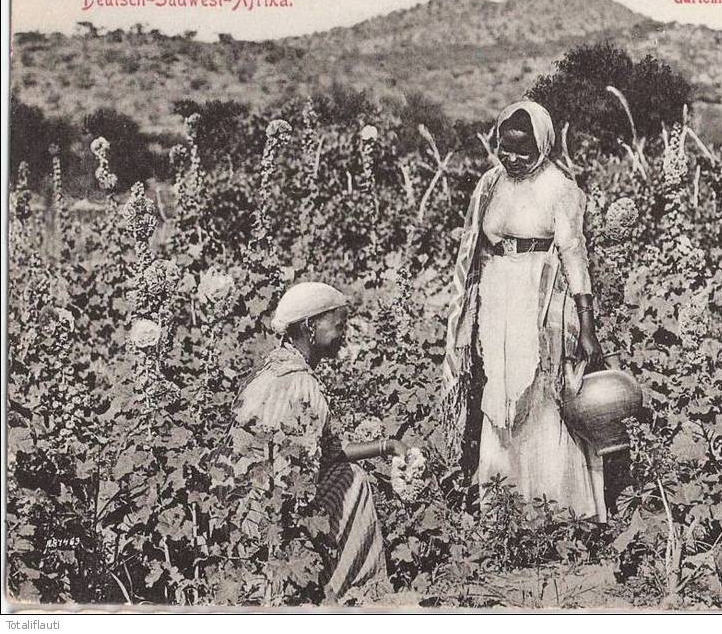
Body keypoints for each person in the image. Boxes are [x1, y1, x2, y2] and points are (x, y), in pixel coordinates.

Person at [440, 100, 607, 522]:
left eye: (522, 150)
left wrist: (586, 323)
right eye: (505, 148)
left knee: (542, 397)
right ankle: (503, 510)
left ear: (543, 148)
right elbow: (475, 245)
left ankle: (551, 510)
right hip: (497, 297)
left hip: (540, 299)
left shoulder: (559, 188)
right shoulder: (491, 184)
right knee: (499, 394)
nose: (512, 158)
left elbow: (574, 254)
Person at [224, 282, 408, 604]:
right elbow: (300, 478)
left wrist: (387, 446)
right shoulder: (299, 385)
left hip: (241, 515)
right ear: (310, 326)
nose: (342, 336)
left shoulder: (271, 369)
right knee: (353, 481)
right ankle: (351, 592)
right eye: (338, 326)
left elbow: (326, 451)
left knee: (346, 472)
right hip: (269, 518)